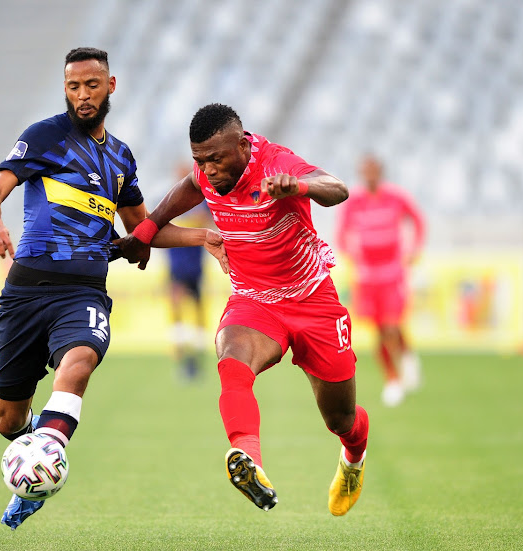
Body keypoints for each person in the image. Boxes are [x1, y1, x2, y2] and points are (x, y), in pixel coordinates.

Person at [0, 48, 226, 530]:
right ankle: (35, 457)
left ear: (111, 86)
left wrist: (203, 236)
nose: (82, 95)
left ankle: (43, 464)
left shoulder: (120, 157)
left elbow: (142, 231)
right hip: (26, 290)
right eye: (73, 86)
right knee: (8, 421)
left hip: (84, 291)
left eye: (91, 85)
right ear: (64, 89)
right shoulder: (45, 136)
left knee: (81, 358)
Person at [116, 103, 369, 516]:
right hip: (253, 301)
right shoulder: (204, 173)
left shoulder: (276, 163)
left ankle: (354, 458)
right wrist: (144, 231)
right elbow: (180, 195)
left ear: (243, 143)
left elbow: (336, 188)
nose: (209, 169)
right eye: (201, 160)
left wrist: (298, 187)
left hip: (312, 300)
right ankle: (247, 457)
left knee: (340, 419)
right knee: (231, 359)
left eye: (216, 158)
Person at [336, 154, 425, 407]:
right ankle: (393, 378)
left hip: (392, 273)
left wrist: (414, 249)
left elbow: (418, 221)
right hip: (367, 276)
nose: (370, 175)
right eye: (366, 171)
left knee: (391, 324)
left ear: (381, 172)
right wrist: (350, 253)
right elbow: (342, 234)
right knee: (378, 329)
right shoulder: (354, 201)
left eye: (374, 170)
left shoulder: (396, 197)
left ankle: (403, 362)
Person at [166, 162, 213, 382]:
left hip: (194, 266)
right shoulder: (169, 201)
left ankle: (198, 353)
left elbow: (208, 222)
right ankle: (182, 354)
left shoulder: (200, 202)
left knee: (196, 308)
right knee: (177, 307)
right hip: (176, 265)